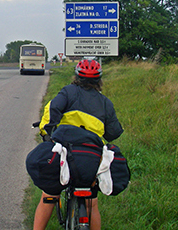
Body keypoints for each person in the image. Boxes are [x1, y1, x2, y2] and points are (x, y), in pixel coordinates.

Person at [33, 59, 124, 230]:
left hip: (66, 155)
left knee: (49, 195)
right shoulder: (105, 102)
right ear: (99, 80)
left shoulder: (68, 92)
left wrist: (49, 132)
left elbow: (54, 109)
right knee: (91, 204)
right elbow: (113, 133)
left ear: (76, 76)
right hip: (91, 157)